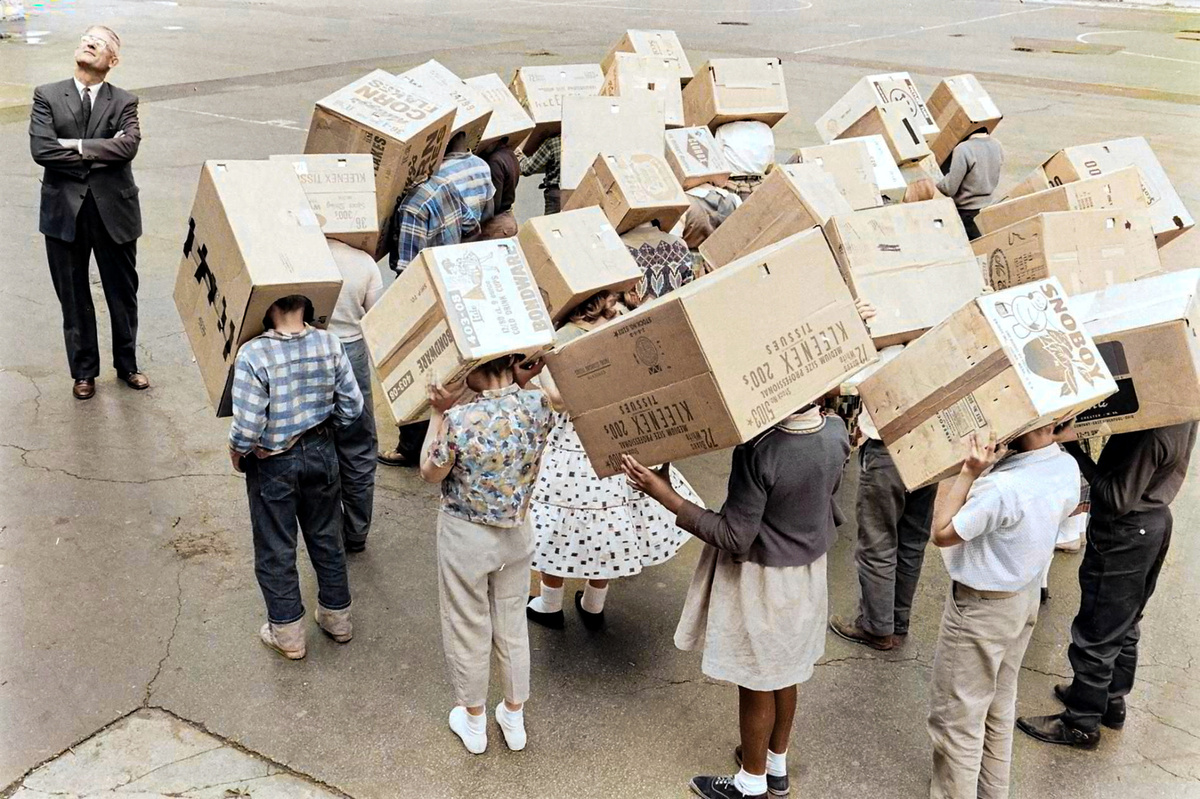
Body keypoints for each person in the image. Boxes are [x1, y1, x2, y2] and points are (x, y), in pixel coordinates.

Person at [622, 394, 848, 799]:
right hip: (808, 572)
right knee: (787, 672)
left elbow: (733, 535)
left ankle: (750, 782)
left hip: (761, 580)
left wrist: (663, 493)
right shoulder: (836, 431)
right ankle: (775, 766)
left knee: (756, 679)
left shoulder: (760, 449)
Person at [525, 291, 702, 631]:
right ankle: (594, 604)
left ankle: (549, 605)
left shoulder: (558, 337)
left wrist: (537, 379)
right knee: (611, 523)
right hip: (620, 434)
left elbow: (559, 400)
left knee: (560, 523)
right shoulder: (624, 324)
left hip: (573, 443)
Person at [1017, 421, 1198, 750]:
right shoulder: (1181, 404)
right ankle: (1110, 700)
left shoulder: (1151, 432)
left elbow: (1116, 498)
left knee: (1096, 631)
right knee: (1125, 623)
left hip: (1126, 533)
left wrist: (1071, 447)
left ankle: (1081, 722)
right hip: (1153, 523)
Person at [926, 427, 1079, 799]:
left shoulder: (1002, 488)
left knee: (957, 721)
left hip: (982, 608)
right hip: (1022, 597)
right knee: (998, 707)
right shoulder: (1065, 465)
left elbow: (943, 531)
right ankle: (993, 792)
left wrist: (962, 471)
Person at [420, 356, 560, 754]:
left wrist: (437, 413)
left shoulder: (460, 419)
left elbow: (430, 472)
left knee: (468, 623)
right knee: (512, 621)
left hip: (466, 534)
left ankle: (475, 720)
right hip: (517, 530)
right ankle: (514, 717)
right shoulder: (539, 406)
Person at [228, 295, 364, 660]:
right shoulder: (328, 342)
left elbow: (248, 423)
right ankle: (338, 619)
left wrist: (238, 449)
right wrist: (324, 431)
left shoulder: (253, 354)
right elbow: (353, 405)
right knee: (326, 535)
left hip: (273, 460)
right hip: (321, 449)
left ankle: (288, 633)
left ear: (267, 307)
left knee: (276, 545)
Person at [29, 25, 148, 400]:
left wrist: (76, 145)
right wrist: (100, 151)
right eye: (86, 37)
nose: (90, 41)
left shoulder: (125, 101)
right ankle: (84, 372)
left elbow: (127, 147)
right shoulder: (47, 95)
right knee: (73, 294)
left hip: (115, 211)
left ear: (113, 60)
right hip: (64, 211)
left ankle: (127, 364)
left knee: (122, 292)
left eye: (101, 41)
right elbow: (42, 151)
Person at [379, 131, 495, 468]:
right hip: (455, 278)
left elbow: (407, 268)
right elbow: (472, 225)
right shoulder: (445, 186)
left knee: (419, 368)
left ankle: (411, 446)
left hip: (428, 291)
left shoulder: (414, 207)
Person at [325, 240, 383, 553]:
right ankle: (357, 530)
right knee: (358, 443)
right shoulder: (362, 262)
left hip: (310, 349)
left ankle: (326, 529)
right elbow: (376, 318)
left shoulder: (299, 255)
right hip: (352, 350)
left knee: (318, 442)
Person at [936, 128, 1002, 240]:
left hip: (966, 213)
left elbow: (949, 188)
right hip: (988, 209)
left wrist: (935, 182)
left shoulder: (963, 149)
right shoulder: (997, 144)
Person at [619, 222, 695, 309]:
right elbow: (691, 290)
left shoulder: (620, 246)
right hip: (674, 314)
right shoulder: (680, 244)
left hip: (640, 320)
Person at [714, 120, 775, 202]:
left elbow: (716, 164)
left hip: (732, 185)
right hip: (759, 185)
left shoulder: (723, 129)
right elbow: (769, 167)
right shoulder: (765, 128)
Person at [475, 137, 519, 238]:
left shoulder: (495, 161)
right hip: (508, 216)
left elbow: (494, 203)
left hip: (498, 222)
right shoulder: (510, 154)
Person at [518, 134, 562, 215]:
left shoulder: (553, 143)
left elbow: (527, 169)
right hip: (580, 190)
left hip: (556, 194)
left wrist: (519, 155)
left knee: (552, 226)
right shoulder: (586, 141)